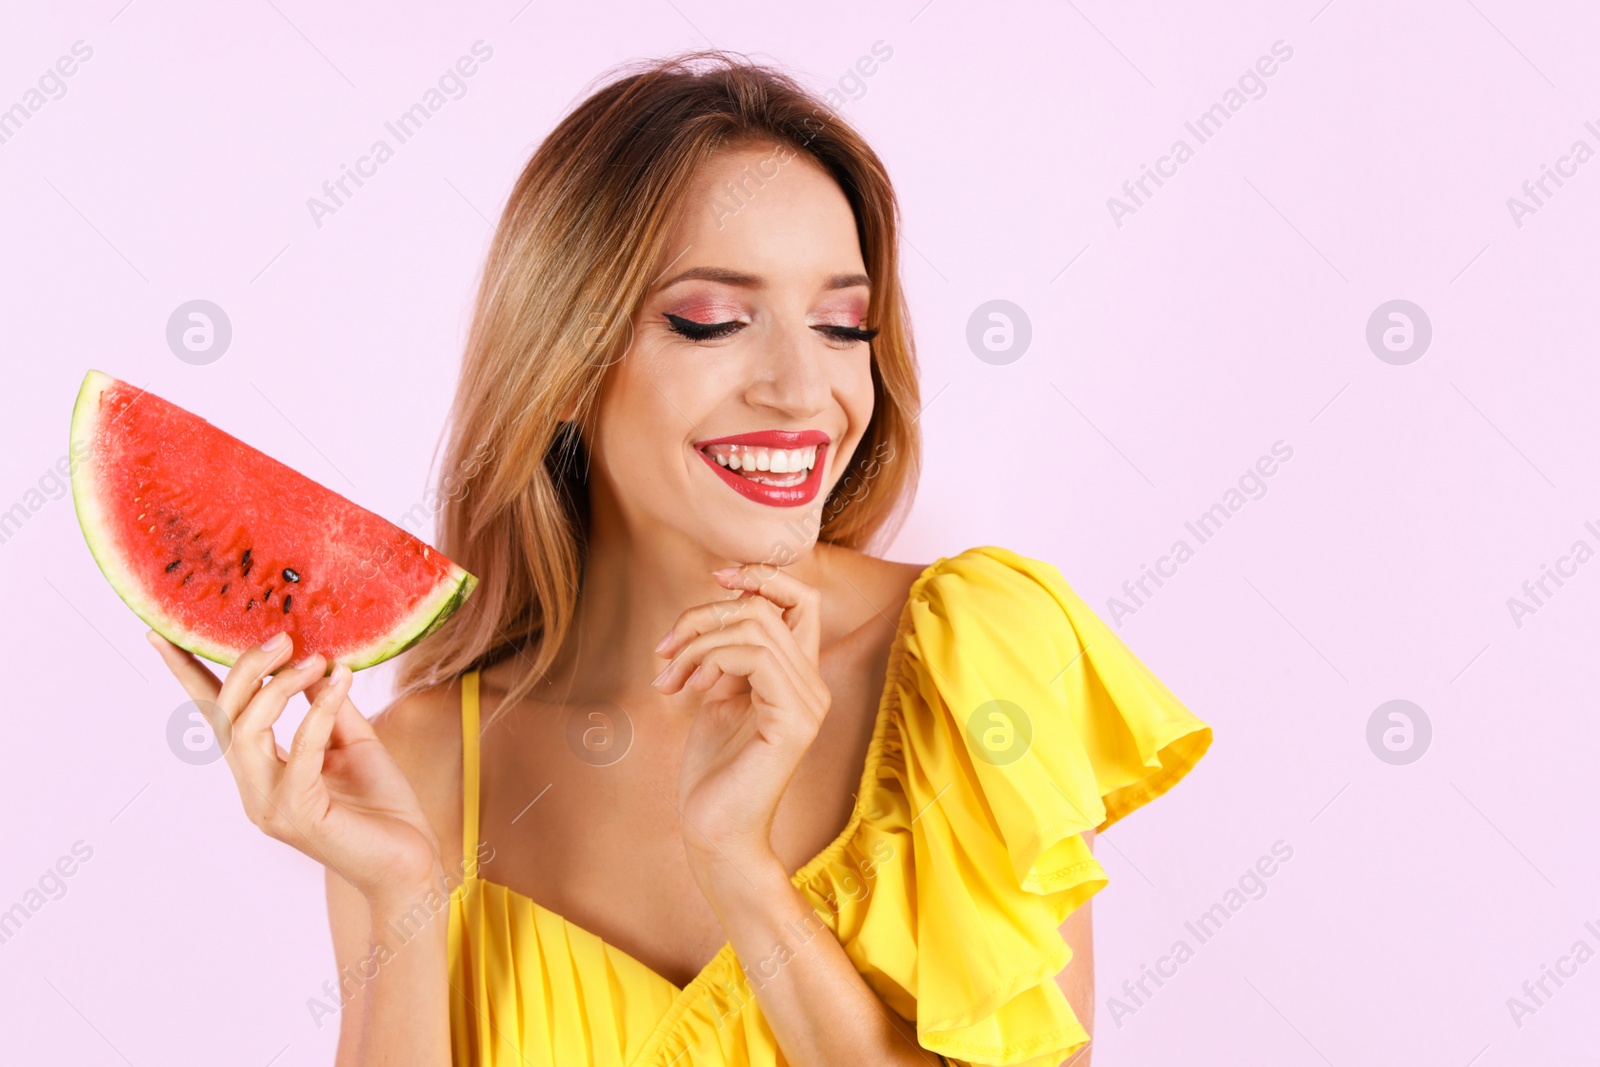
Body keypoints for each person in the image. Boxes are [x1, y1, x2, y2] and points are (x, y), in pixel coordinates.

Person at [149, 49, 1211, 1067]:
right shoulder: (425, 759)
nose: (803, 389)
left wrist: (740, 868)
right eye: (713, 321)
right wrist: (399, 895)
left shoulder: (974, 653)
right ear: (564, 363)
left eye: (844, 324)